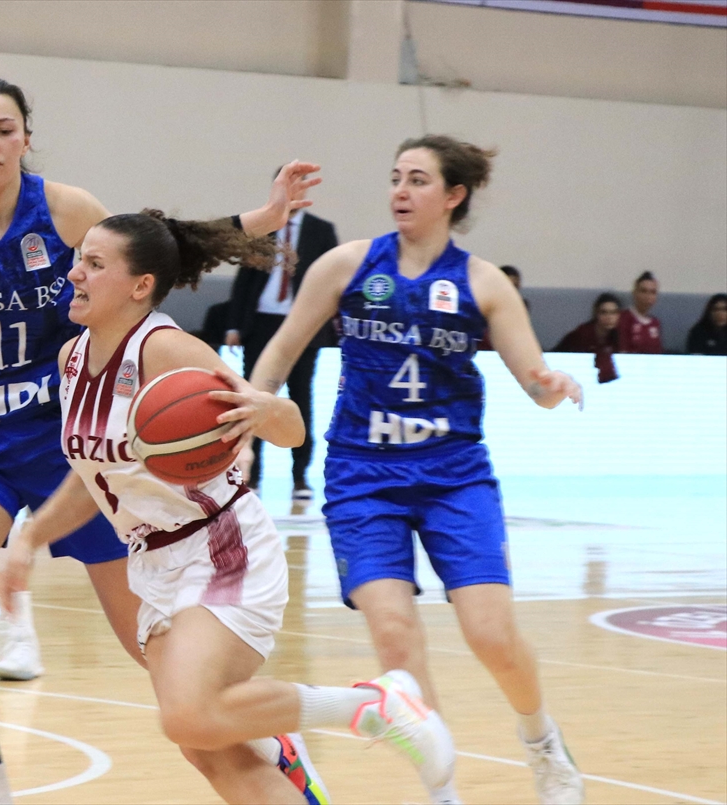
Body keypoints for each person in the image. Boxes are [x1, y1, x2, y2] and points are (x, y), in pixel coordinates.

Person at [0, 72, 326, 805]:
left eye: (3, 130)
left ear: (25, 137)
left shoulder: (65, 209)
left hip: (76, 454)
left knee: (159, 662)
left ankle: (272, 745)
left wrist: (262, 218)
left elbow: (157, 248)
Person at [0, 210, 455, 805]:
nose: (74, 273)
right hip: (152, 561)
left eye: (94, 263)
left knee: (189, 714)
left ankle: (373, 705)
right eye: (79, 259)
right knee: (205, 745)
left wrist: (268, 410)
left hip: (219, 545)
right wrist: (29, 539)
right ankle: (279, 743)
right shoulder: (72, 360)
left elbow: (288, 428)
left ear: (140, 285)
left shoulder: (168, 351)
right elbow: (94, 478)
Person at [248, 135, 586, 805]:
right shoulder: (346, 265)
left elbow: (533, 379)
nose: (400, 190)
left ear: (453, 195)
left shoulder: (483, 282)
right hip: (362, 474)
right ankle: (443, 791)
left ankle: (542, 740)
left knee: (491, 633)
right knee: (395, 636)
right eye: (396, 177)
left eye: (418, 180)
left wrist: (553, 385)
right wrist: (249, 415)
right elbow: (279, 354)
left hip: (453, 474)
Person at [224, 177, 337, 499]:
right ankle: (252, 474)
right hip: (261, 321)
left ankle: (300, 477)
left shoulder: (321, 230)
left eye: (301, 186)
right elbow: (244, 279)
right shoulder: (263, 227)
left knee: (302, 399)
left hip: (302, 324)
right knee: (253, 395)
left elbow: (331, 283)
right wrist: (234, 325)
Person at [554, 292, 621, 383]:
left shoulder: (619, 336)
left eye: (613, 313)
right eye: (604, 312)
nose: (609, 317)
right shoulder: (582, 334)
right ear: (596, 314)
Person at [617, 270, 662, 353]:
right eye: (644, 291)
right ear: (634, 293)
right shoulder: (624, 318)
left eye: (653, 292)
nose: (648, 296)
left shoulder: (655, 323)